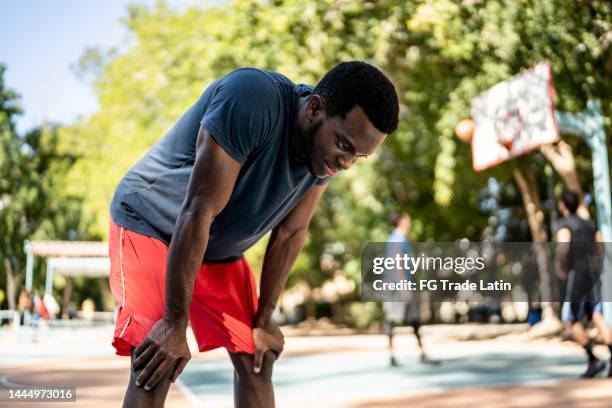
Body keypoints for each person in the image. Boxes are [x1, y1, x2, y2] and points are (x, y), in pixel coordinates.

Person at [108, 61, 399, 407]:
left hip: (216, 249)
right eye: (344, 146)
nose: (346, 163)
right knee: (156, 361)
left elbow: (291, 233)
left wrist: (265, 319)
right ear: (316, 109)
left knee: (260, 359)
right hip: (152, 225)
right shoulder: (252, 99)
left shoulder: (323, 154)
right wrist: (174, 322)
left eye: (359, 156)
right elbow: (198, 210)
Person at [556, 189, 612, 378]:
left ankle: (593, 359)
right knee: (597, 317)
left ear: (563, 205)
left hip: (577, 274)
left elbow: (563, 247)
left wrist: (560, 267)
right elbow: (601, 247)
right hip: (593, 273)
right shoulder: (589, 224)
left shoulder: (565, 224)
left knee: (570, 320)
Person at [383, 212, 435, 366]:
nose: (410, 221)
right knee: (394, 321)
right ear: (401, 221)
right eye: (407, 219)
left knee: (412, 320)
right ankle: (393, 356)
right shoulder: (397, 239)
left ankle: (421, 354)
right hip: (398, 287)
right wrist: (404, 286)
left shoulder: (399, 239)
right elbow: (396, 263)